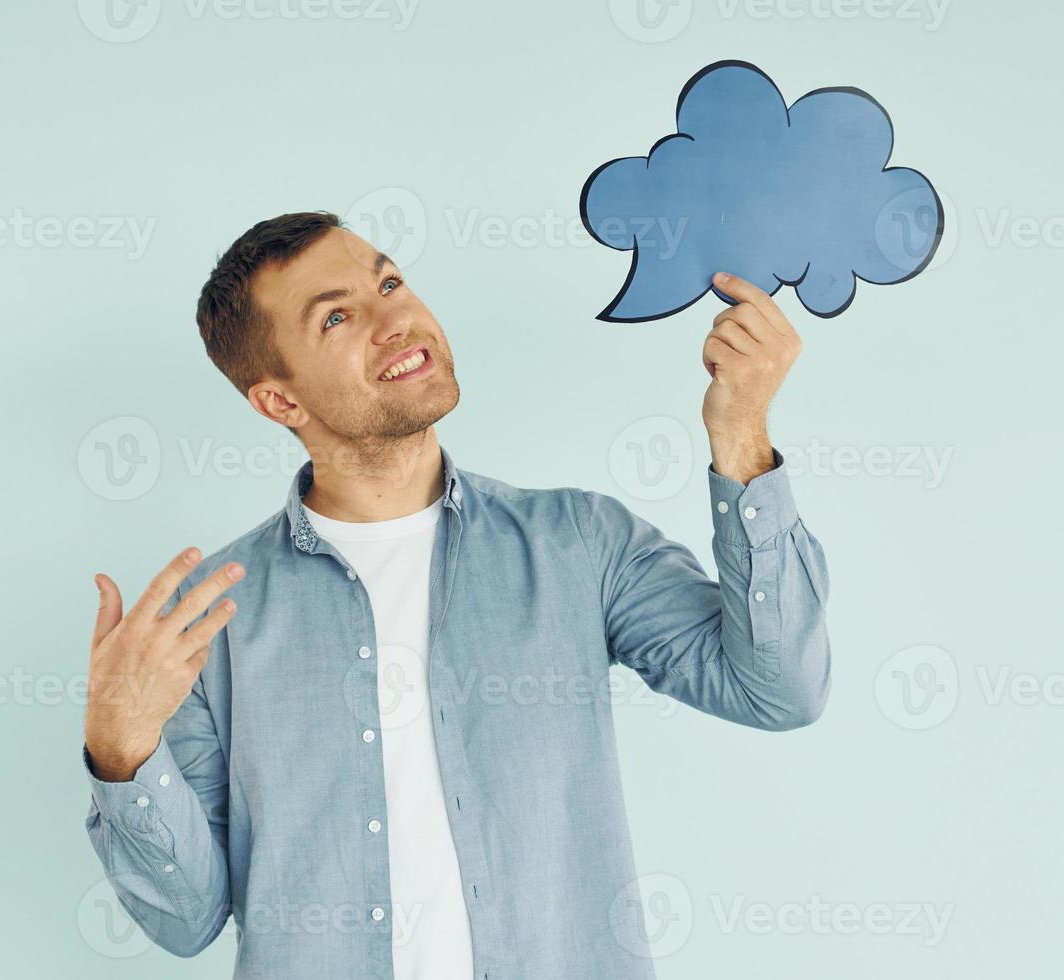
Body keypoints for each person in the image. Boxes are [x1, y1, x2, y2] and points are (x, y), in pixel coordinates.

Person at [80, 211, 831, 979]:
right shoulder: (211, 628)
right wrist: (120, 749)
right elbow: (186, 920)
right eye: (338, 316)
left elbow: (779, 690)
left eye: (391, 282)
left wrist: (741, 432)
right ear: (279, 402)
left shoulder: (579, 541)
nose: (395, 319)